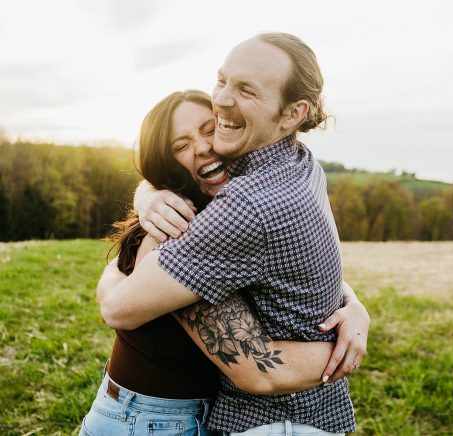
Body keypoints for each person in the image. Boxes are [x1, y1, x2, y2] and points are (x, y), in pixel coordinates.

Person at [97, 32, 364, 434]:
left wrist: (352, 310)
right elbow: (291, 262)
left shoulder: (244, 206)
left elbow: (118, 306)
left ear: (293, 113)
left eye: (246, 90)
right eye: (221, 81)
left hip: (275, 424)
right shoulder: (301, 163)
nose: (222, 100)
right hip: (145, 416)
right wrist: (147, 194)